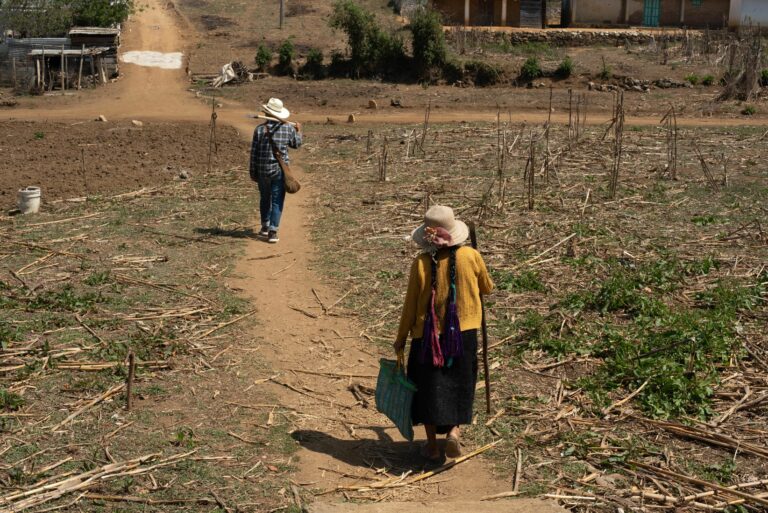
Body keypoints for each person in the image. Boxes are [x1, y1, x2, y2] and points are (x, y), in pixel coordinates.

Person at [394, 205, 494, 462]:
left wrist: (401, 337)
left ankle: (431, 446)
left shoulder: (421, 263)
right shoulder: (470, 256)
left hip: (426, 336)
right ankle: (454, 431)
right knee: (460, 383)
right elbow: (488, 288)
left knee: (428, 388)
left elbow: (410, 303)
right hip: (464, 333)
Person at [249, 98, 302, 244]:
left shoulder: (259, 130)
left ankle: (265, 226)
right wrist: (298, 131)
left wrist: (252, 171)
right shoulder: (288, 129)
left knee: (265, 198)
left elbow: (254, 153)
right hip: (279, 170)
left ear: (266, 112)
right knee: (277, 200)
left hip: (262, 170)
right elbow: (296, 144)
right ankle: (273, 231)